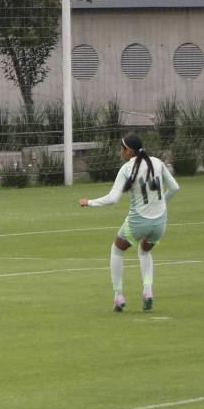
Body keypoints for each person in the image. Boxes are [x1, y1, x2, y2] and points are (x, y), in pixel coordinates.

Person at [78, 132, 179, 312]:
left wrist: (90, 202)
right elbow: (174, 188)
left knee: (116, 250)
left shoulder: (126, 169)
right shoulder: (157, 162)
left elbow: (113, 198)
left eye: (122, 148)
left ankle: (118, 296)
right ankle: (148, 291)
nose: (120, 152)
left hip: (138, 221)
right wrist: (162, 203)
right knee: (145, 252)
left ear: (129, 151)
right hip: (160, 222)